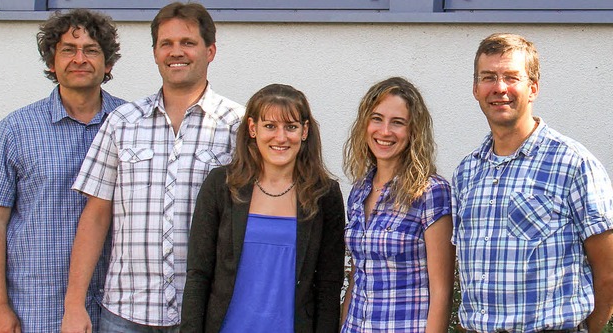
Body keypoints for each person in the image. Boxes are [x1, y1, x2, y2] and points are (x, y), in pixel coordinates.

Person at [61, 2, 245, 333]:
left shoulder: (238, 124)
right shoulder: (122, 122)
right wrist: (74, 304)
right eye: (166, 43)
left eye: (188, 42)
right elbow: (96, 214)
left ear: (210, 50)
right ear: (155, 52)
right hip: (124, 313)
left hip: (202, 313)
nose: (177, 52)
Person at [0, 9, 125, 333]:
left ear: (108, 63)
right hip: (37, 309)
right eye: (68, 49)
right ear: (51, 62)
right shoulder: (15, 130)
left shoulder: (132, 125)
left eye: (91, 50)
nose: (79, 58)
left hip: (119, 311)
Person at [452, 33, 613, 333]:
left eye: (511, 77)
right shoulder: (466, 173)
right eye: (488, 77)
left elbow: (609, 272)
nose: (499, 88)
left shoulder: (574, 164)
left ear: (533, 88)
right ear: (475, 89)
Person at [180, 83, 345, 333]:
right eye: (270, 126)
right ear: (252, 128)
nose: (281, 137)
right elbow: (198, 275)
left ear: (304, 131)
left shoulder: (325, 195)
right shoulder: (221, 186)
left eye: (290, 127)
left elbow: (329, 284)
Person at [340, 77, 454, 332]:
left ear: (413, 131)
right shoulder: (359, 192)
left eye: (398, 123)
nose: (385, 131)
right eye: (377, 118)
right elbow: (357, 280)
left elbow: (441, 292)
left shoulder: (431, 192)